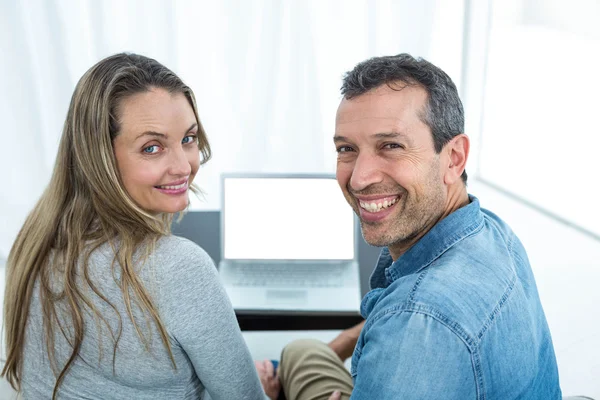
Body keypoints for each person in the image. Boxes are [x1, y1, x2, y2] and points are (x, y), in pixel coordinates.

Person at [257, 53, 562, 399]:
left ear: (453, 157)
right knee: (302, 351)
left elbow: (420, 321)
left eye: (391, 146)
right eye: (347, 149)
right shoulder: (492, 232)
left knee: (295, 358)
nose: (358, 179)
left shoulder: (414, 327)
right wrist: (342, 344)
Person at [1, 53, 268, 399]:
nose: (183, 166)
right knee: (297, 358)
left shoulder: (36, 239)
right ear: (100, 158)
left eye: (188, 139)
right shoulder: (178, 266)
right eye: (152, 147)